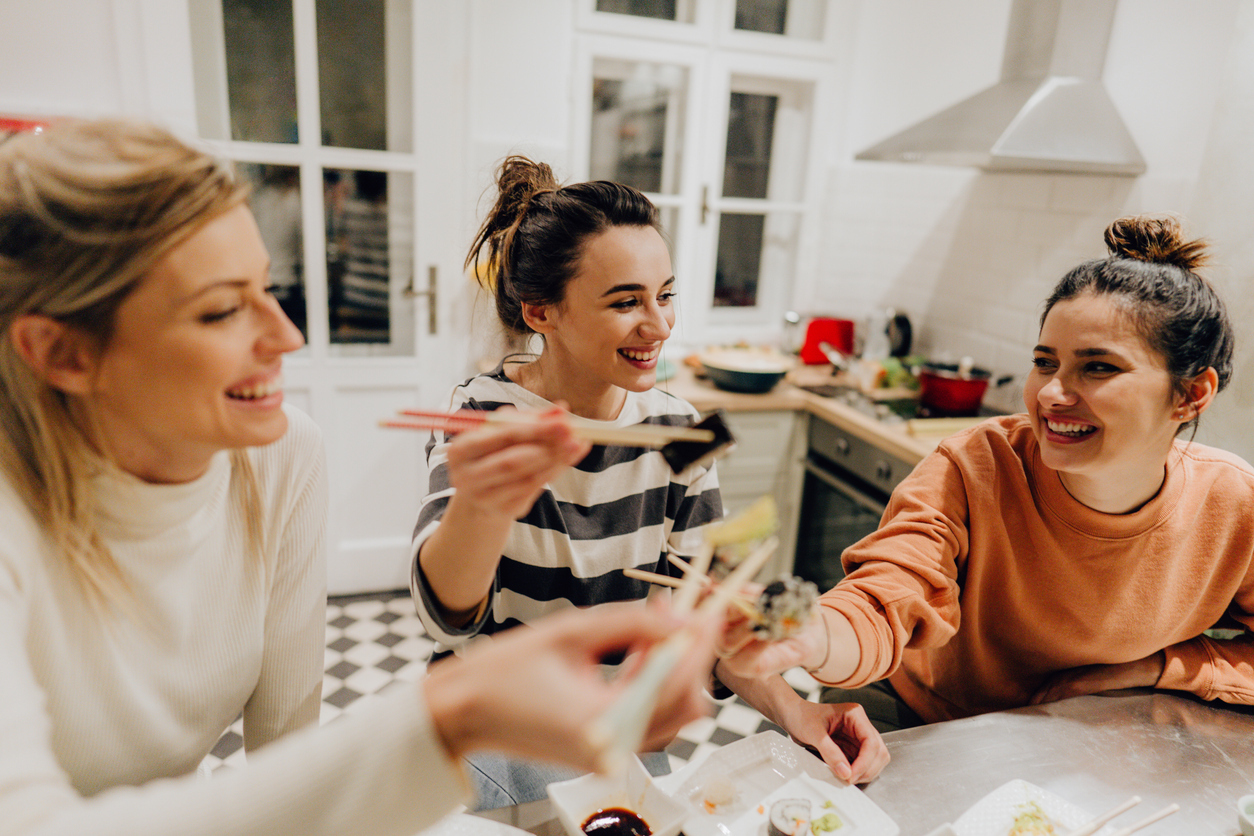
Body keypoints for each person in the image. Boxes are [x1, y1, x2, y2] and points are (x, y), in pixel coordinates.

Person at [0, 117, 724, 835]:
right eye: (221, 310)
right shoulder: (482, 410)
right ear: (60, 353)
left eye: (268, 287)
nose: (289, 336)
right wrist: (452, 716)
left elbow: (286, 749)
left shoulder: (282, 455)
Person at [411, 156, 888, 807]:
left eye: (664, 295)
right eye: (625, 301)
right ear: (541, 312)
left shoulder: (687, 431)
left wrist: (797, 710)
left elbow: (706, 613)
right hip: (498, 729)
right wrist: (487, 505)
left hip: (623, 734)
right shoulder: (480, 415)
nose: (660, 326)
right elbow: (447, 618)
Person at [721, 215, 1254, 733]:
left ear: (1190, 394)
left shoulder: (1232, 503)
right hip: (917, 715)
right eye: (1045, 362)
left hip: (1091, 730)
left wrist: (1155, 669)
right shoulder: (976, 464)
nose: (1050, 393)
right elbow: (889, 590)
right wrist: (814, 634)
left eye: (1097, 367)